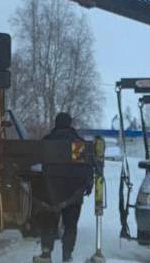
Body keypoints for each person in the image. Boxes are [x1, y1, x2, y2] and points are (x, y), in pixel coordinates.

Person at [33, 112, 92, 263]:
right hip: (73, 193)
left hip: (49, 191)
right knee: (70, 224)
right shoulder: (77, 144)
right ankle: (67, 256)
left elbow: (36, 167)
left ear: (56, 124)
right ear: (70, 124)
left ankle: (46, 253)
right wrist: (87, 185)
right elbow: (84, 168)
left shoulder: (47, 142)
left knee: (48, 221)